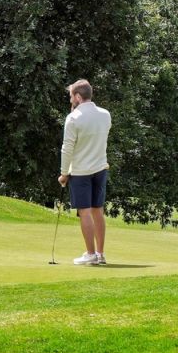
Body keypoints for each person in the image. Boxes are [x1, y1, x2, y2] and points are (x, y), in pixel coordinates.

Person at [59, 78, 112, 266]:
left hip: (81, 171)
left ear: (78, 97)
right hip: (100, 168)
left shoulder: (73, 118)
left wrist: (64, 173)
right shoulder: (105, 114)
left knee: (85, 212)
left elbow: (67, 148)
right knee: (98, 210)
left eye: (71, 96)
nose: (70, 100)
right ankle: (100, 254)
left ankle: (90, 254)